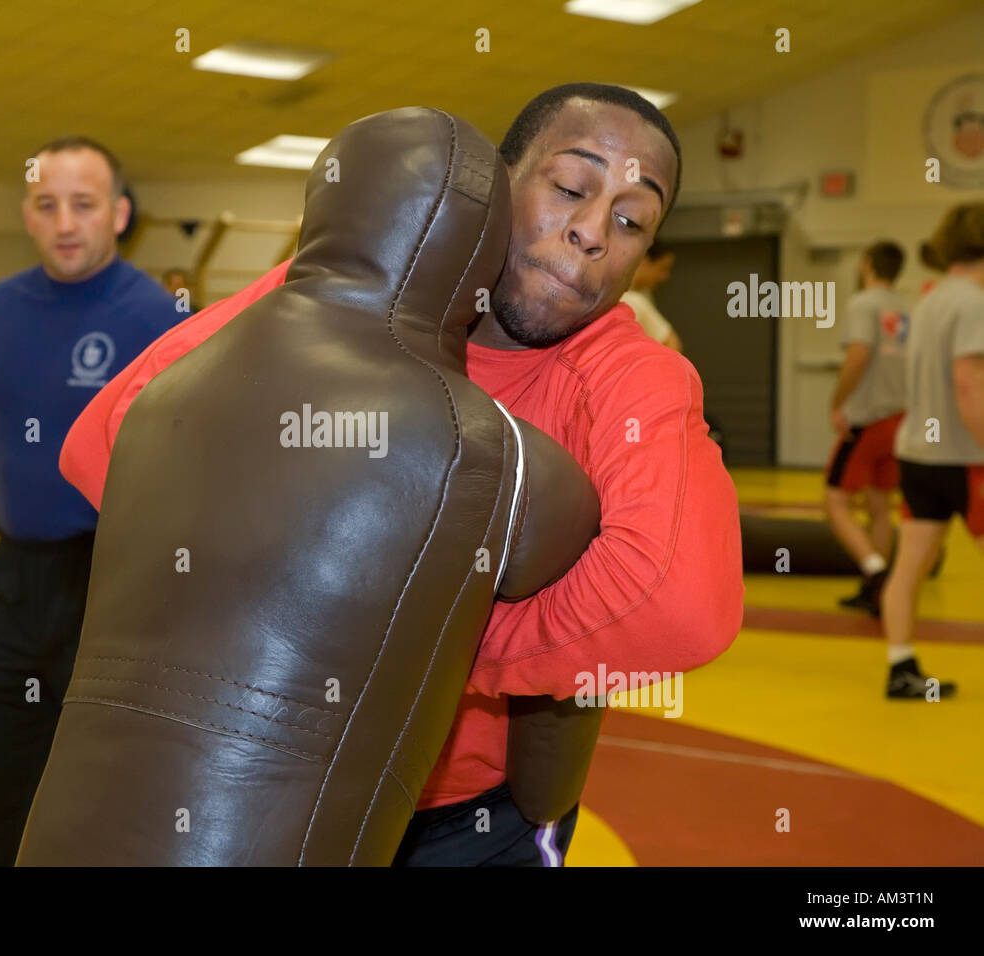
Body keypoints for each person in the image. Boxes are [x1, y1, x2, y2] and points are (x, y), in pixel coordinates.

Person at [58, 84, 744, 866]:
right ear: (497, 186)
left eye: (632, 220)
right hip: (287, 781)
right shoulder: (351, 299)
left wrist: (429, 635)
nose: (592, 232)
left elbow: (684, 606)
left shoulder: (629, 378)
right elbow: (104, 438)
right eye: (570, 188)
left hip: (473, 822)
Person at [0, 135, 185, 866]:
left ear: (118, 214)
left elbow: (195, 463)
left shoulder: (158, 318)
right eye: (46, 204)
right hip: (12, 580)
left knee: (109, 800)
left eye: (83, 205)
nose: (64, 222)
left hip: (112, 586)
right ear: (26, 214)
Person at [882, 204, 984, 700]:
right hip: (963, 455)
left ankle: (901, 667)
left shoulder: (929, 299)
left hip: (917, 452)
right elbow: (969, 385)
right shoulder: (973, 302)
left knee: (911, 564)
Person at [823, 241, 910, 616]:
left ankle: (875, 572)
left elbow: (858, 356)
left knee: (834, 501)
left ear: (867, 264)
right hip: (900, 418)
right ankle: (878, 590)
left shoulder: (864, 304)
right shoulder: (908, 309)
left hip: (869, 419)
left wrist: (837, 402)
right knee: (879, 506)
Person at [620, 240, 682, 351]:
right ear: (644, 260)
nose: (665, 276)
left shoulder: (643, 294)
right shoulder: (633, 301)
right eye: (663, 268)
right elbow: (671, 344)